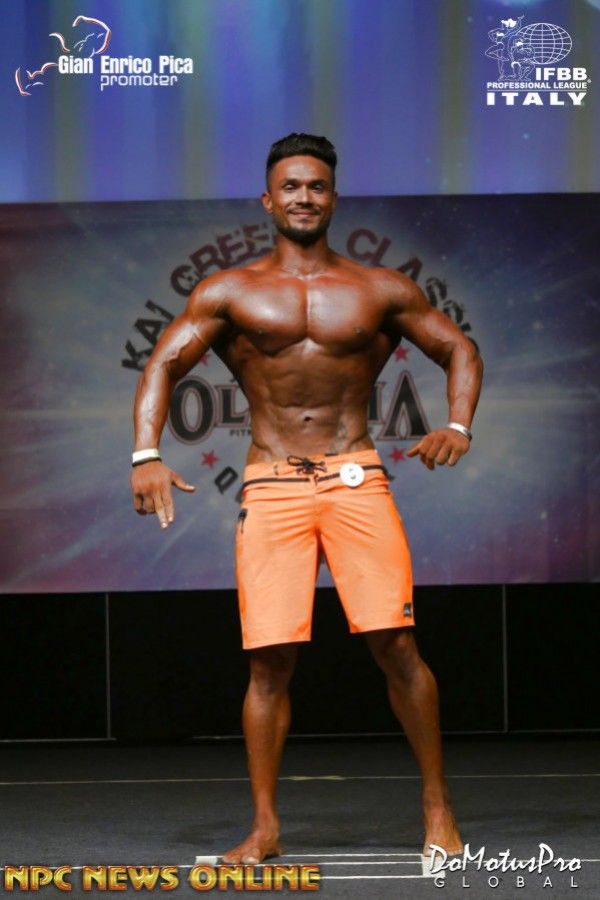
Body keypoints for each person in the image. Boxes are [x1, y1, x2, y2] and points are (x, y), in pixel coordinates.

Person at [130, 133, 483, 864]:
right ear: (268, 200)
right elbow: (164, 362)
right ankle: (264, 827)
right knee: (269, 662)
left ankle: (437, 804)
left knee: (396, 646)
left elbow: (459, 348)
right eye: (291, 186)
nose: (303, 197)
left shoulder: (379, 289)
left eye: (316, 186)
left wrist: (457, 424)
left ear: (333, 198)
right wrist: (146, 454)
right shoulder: (229, 291)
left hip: (355, 474)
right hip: (273, 483)